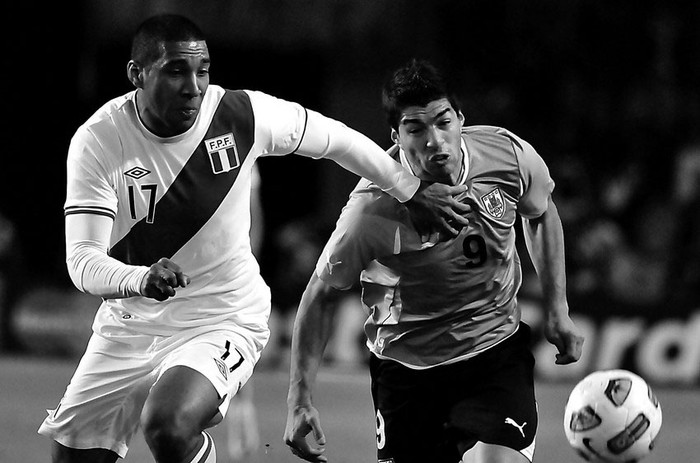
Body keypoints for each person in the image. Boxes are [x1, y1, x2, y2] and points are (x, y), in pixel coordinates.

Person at [37, 15, 471, 463]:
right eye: (174, 71)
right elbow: (82, 260)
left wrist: (409, 188)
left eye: (202, 70)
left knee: (167, 425)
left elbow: (338, 141)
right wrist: (140, 279)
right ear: (136, 74)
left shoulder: (241, 115)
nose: (193, 86)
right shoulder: (99, 141)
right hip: (129, 322)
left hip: (223, 314)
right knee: (74, 458)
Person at [284, 59, 584, 463]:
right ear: (396, 136)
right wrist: (300, 400)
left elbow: (541, 212)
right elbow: (319, 296)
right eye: (416, 129)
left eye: (443, 122)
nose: (434, 140)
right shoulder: (370, 213)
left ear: (461, 119)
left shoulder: (507, 156)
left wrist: (558, 309)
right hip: (408, 373)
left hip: (494, 351)